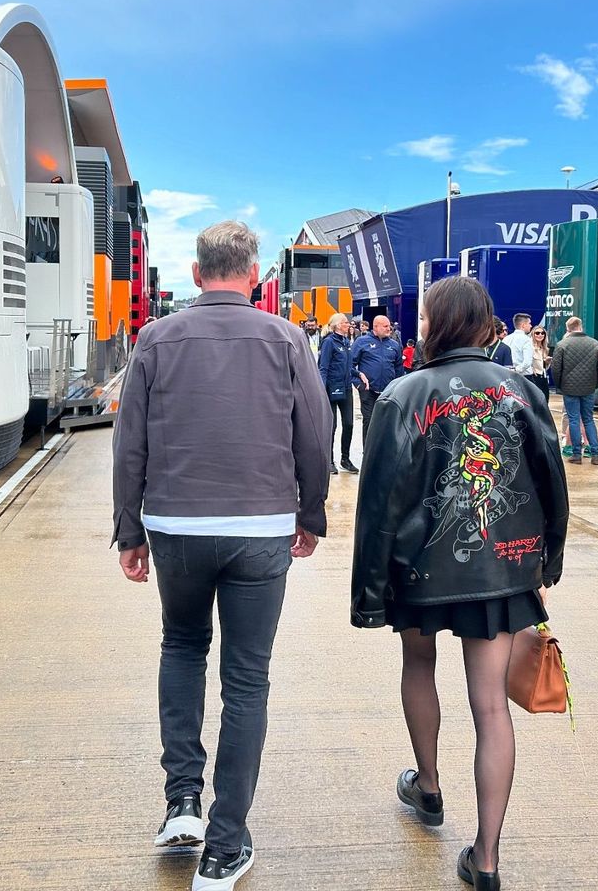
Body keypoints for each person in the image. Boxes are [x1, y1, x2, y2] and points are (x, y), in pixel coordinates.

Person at [111, 221, 332, 891]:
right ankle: (226, 845)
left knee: (181, 645)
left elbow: (129, 443)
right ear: (254, 270)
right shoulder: (286, 338)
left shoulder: (156, 338)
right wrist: (311, 513)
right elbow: (315, 435)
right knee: (247, 679)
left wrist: (129, 531)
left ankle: (182, 804)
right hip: (260, 527)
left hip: (175, 523)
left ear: (198, 269)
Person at [351, 275, 568, 891]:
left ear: (434, 324)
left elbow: (378, 504)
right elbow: (553, 480)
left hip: (420, 568)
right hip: (502, 566)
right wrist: (545, 561)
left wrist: (369, 591)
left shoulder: (403, 394)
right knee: (491, 705)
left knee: (419, 665)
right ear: (486, 323)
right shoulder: (522, 391)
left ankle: (428, 787)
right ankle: (488, 858)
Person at [551, 316, 598, 466]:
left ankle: (576, 454)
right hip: (588, 387)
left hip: (569, 388)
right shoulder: (595, 344)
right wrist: (595, 384)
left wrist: (560, 385)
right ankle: (595, 454)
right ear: (581, 327)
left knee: (573, 419)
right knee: (588, 419)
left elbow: (555, 369)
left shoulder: (562, 345)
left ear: (568, 329)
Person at [351, 314, 405, 444]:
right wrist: (359, 384)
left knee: (387, 425)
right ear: (376, 327)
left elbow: (399, 368)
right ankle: (368, 457)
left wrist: (398, 388)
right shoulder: (361, 342)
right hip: (368, 391)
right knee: (369, 423)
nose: (389, 328)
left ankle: (383, 457)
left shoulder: (394, 345)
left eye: (389, 325)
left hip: (388, 392)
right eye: (385, 326)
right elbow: (350, 364)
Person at [319, 312, 359, 475]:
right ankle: (328, 460)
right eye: (344, 322)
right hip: (331, 387)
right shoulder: (329, 342)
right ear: (336, 325)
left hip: (346, 387)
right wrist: (321, 389)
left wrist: (358, 374)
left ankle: (345, 458)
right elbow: (324, 367)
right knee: (332, 425)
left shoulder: (347, 342)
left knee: (349, 423)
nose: (348, 324)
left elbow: (347, 366)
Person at [529, 324, 551, 402]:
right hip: (534, 377)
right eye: (537, 333)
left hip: (543, 376)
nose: (540, 335)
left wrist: (547, 362)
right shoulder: (530, 348)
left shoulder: (545, 349)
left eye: (542, 333)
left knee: (545, 399)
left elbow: (544, 367)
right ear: (533, 334)